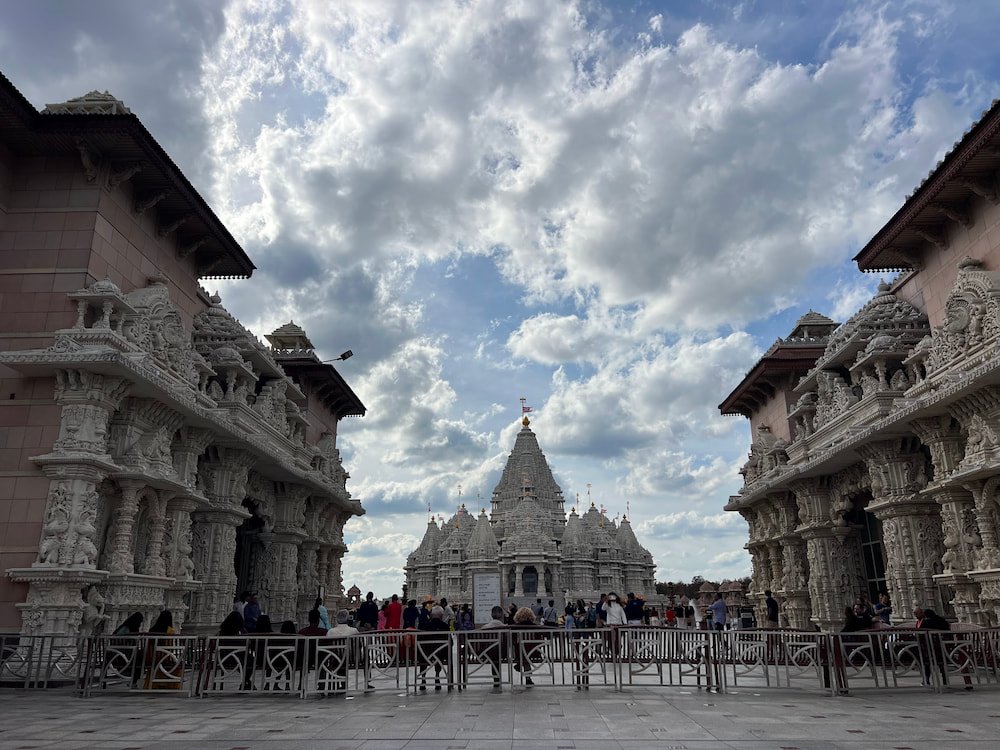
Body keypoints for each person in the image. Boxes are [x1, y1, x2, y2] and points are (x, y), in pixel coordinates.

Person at [417, 606, 451, 691]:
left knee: (423, 654)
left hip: (425, 654)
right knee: (439, 654)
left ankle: (423, 679)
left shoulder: (423, 626)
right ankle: (437, 676)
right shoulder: (445, 627)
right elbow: (451, 643)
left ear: (431, 615)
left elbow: (418, 641)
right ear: (442, 615)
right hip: (440, 655)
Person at [480, 605, 507, 692]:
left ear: (491, 615)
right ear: (501, 615)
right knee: (496, 654)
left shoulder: (485, 627)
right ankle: (497, 679)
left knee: (493, 655)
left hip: (487, 653)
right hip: (501, 653)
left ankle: (496, 679)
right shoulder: (505, 627)